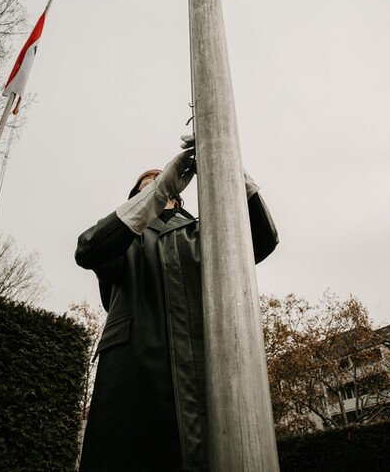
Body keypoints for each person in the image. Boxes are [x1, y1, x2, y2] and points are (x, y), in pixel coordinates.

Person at [75, 136, 278, 472]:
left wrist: (227, 163)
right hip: (133, 391)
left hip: (211, 389)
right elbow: (87, 251)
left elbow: (263, 238)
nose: (157, 184)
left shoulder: (207, 232)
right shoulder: (124, 238)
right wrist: (154, 194)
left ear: (179, 198)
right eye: (147, 185)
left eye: (163, 181)